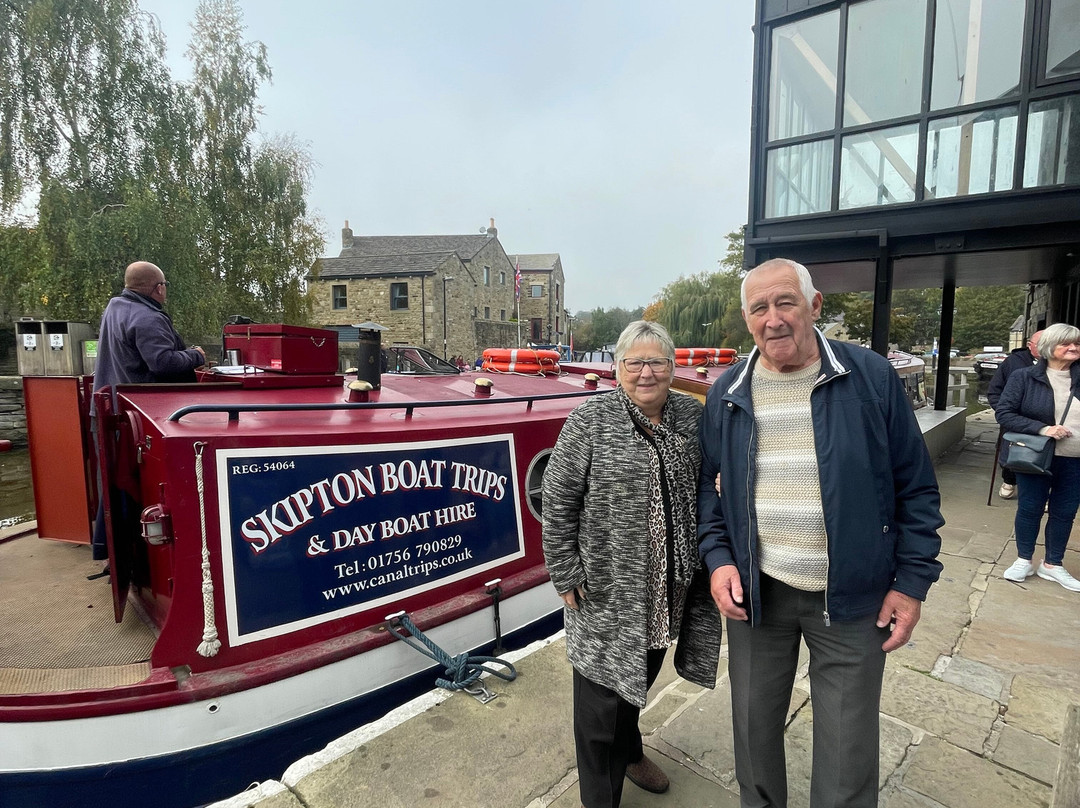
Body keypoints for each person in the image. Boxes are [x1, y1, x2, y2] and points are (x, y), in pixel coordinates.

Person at [698, 258, 944, 808]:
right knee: (753, 734)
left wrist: (911, 583)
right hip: (759, 594)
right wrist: (718, 560)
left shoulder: (870, 377)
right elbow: (709, 491)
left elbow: (917, 488)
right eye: (759, 308)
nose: (773, 319)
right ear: (747, 319)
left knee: (847, 751)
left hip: (855, 597)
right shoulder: (728, 392)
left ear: (814, 306)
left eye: (785, 302)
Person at [543, 320, 722, 808]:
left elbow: (712, 481)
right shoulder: (590, 421)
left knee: (637, 680)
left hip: (669, 590)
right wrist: (563, 568)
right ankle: (602, 797)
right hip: (606, 591)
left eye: (657, 362)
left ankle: (630, 750)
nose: (647, 373)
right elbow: (558, 500)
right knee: (600, 702)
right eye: (634, 362)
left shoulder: (691, 416)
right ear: (617, 368)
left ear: (672, 367)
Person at [91, 261, 205, 560]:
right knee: (134, 488)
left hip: (111, 409)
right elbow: (163, 363)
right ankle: (142, 559)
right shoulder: (148, 318)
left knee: (113, 486)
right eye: (165, 285)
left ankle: (112, 553)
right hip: (138, 418)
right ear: (158, 288)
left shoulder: (115, 308)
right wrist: (195, 355)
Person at [995, 323, 1080, 592]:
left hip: (1075, 457)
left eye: (1077, 343)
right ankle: (1024, 559)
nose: (1074, 348)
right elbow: (1004, 413)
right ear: (1048, 348)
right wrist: (1043, 428)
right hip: (1035, 455)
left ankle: (1053, 564)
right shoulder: (1024, 377)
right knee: (1030, 508)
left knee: (1065, 512)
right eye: (1066, 343)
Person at [988, 331, 1042, 499]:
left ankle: (1044, 492)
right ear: (1030, 345)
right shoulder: (1013, 362)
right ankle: (1009, 480)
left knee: (1044, 455)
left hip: (1045, 420)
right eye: (1040, 344)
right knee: (1011, 450)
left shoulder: (1059, 365)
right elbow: (995, 390)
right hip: (1015, 418)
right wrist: (1004, 412)